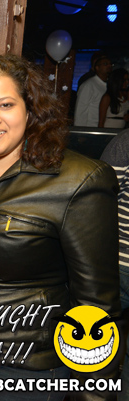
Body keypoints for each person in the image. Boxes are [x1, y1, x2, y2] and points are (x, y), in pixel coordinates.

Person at [0, 53, 121, 400]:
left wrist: (93, 393)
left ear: (30, 110)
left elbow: (97, 306)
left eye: (5, 104)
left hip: (21, 369)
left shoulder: (78, 181)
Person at [100, 128, 129, 401]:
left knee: (97, 345)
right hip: (117, 263)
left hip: (117, 261)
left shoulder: (125, 141)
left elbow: (101, 199)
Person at [75, 54, 112, 127]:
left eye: (111, 64)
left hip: (105, 128)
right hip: (91, 128)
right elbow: (80, 109)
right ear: (97, 68)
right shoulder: (89, 85)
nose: (109, 66)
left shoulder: (109, 85)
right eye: (105, 64)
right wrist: (81, 131)